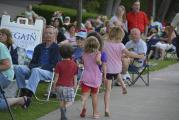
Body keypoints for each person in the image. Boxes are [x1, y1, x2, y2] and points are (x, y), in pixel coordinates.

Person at [103, 26, 144, 117]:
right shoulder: (121, 45)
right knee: (118, 74)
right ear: (119, 36)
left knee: (108, 91)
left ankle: (106, 108)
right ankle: (123, 86)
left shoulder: (105, 44)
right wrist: (139, 56)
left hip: (107, 70)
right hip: (117, 68)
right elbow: (128, 54)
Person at [14, 26, 61, 100]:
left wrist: (40, 67)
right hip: (35, 69)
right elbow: (33, 62)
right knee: (17, 68)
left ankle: (28, 95)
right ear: (43, 35)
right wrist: (33, 67)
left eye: (50, 33)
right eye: (46, 33)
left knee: (36, 70)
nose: (48, 35)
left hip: (50, 72)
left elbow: (56, 64)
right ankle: (22, 90)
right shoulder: (38, 47)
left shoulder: (57, 48)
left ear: (54, 35)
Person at [0, 42, 30, 110]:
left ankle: (19, 100)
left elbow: (7, 65)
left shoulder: (1, 46)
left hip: (4, 76)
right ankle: (19, 101)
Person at [53, 44, 78, 120]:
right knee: (70, 101)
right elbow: (75, 76)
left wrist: (54, 86)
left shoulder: (58, 64)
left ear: (61, 54)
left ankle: (62, 116)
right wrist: (75, 84)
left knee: (62, 100)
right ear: (71, 53)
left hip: (59, 86)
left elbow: (56, 76)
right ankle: (64, 109)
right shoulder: (74, 64)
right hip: (69, 86)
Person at [80, 36, 102, 119]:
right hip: (95, 78)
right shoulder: (98, 53)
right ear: (97, 45)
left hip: (86, 77)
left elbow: (83, 62)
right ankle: (95, 113)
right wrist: (99, 62)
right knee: (94, 96)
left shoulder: (84, 54)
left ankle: (83, 108)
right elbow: (98, 61)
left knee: (85, 94)